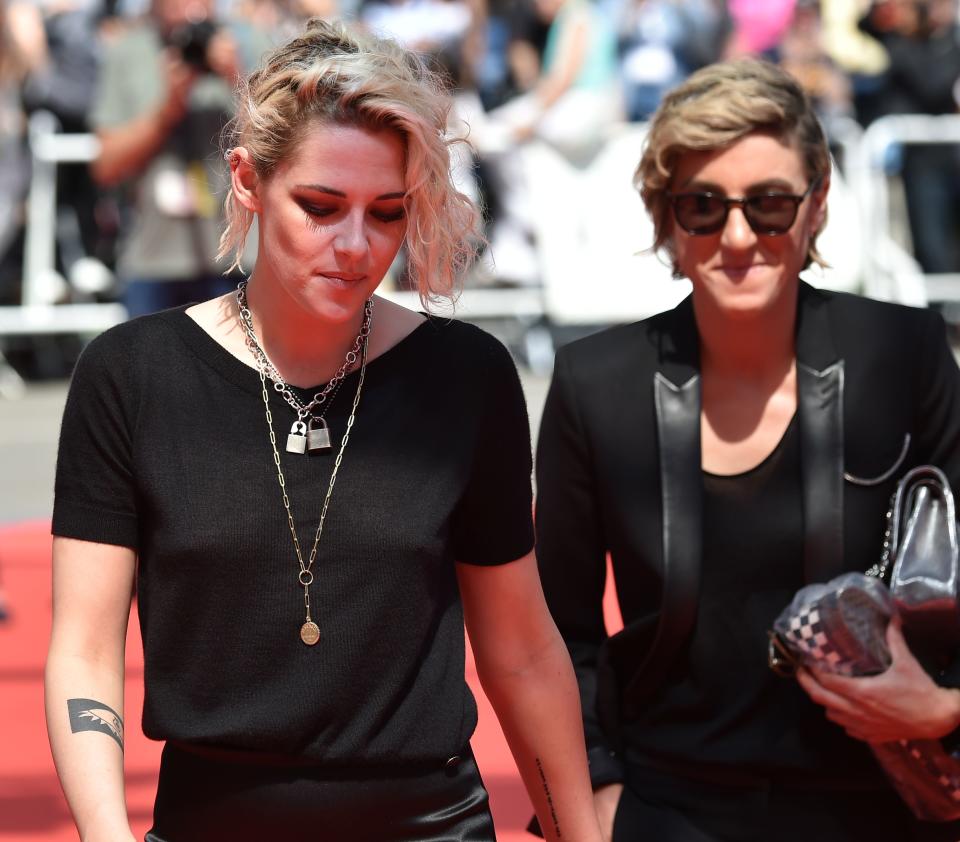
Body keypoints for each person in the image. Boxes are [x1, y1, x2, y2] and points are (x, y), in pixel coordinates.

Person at [46, 19, 603, 842]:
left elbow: (521, 649)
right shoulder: (132, 375)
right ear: (246, 180)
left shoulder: (468, 376)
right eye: (319, 206)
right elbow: (84, 650)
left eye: (387, 213)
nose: (355, 245)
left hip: (433, 824)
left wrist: (580, 836)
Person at [535, 58, 960, 842]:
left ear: (816, 207)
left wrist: (945, 710)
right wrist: (593, 804)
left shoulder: (903, 353)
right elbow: (557, 633)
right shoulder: (597, 384)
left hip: (883, 804)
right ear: (666, 218)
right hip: (669, 806)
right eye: (703, 206)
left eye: (768, 205)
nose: (738, 237)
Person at [88, 0, 271, 317]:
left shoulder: (253, 42)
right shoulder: (127, 52)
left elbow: (280, 147)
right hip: (154, 260)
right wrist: (168, 108)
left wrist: (238, 80)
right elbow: (105, 167)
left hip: (242, 258)